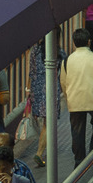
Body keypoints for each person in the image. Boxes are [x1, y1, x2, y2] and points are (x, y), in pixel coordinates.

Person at [59, 28, 93, 165]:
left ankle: (79, 160)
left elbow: (63, 82)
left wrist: (67, 97)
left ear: (74, 43)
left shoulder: (67, 60)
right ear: (89, 42)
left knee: (77, 131)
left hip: (75, 102)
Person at [27, 33, 65, 168]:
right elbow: (62, 72)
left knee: (44, 122)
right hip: (51, 87)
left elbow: (31, 72)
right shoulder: (59, 52)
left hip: (36, 88)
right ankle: (39, 152)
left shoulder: (34, 51)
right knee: (48, 123)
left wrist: (29, 90)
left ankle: (42, 149)